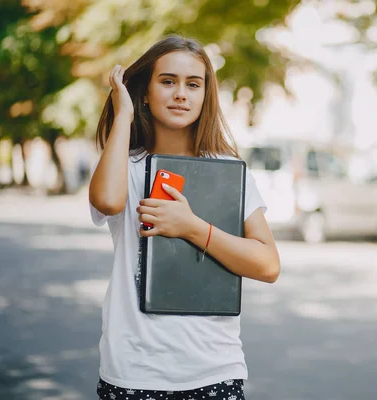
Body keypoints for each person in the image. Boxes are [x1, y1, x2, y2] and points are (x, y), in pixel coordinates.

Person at [88, 34, 281, 400]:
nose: (181, 94)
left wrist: (193, 228)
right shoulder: (126, 167)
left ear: (206, 95)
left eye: (193, 84)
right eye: (167, 81)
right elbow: (108, 201)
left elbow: (268, 265)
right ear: (144, 92)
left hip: (213, 371)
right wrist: (123, 115)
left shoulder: (228, 171)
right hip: (133, 371)